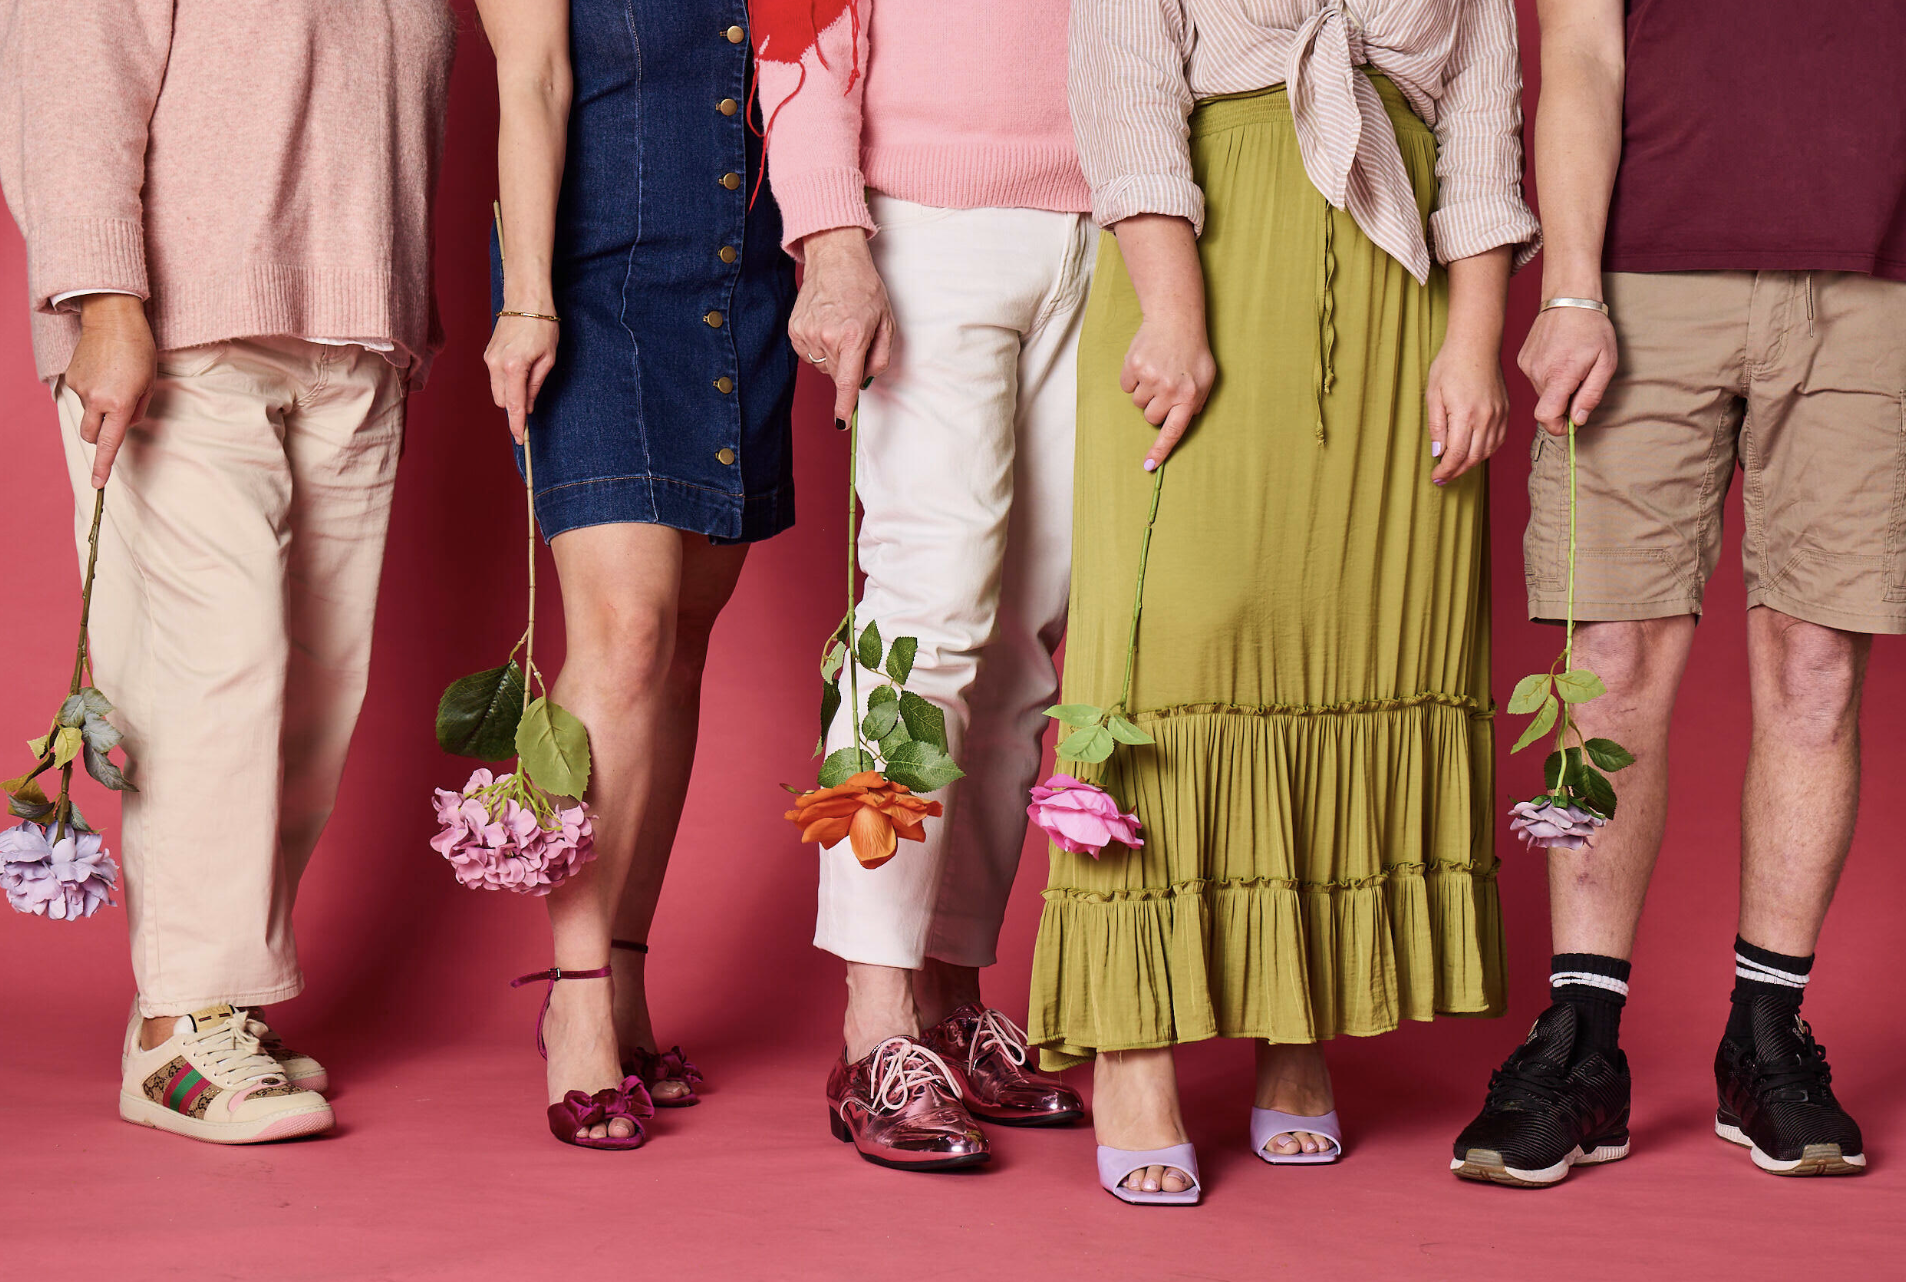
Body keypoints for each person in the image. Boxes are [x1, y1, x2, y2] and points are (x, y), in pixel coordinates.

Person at [1039, 0, 1538, 1203]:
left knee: (1348, 645)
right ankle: (1131, 1037)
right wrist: (1171, 305)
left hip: (1397, 289)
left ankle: (1297, 1011)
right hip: (1204, 264)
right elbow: (1126, 89)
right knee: (1171, 642)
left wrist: (1473, 342)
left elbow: (1480, 120)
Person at [1450, 0, 1900, 1186]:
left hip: (1878, 284)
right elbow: (1584, 48)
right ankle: (1582, 1044)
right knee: (1609, 661)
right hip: (1645, 271)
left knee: (1816, 663)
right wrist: (1571, 289)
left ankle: (1767, 1038)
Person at [0, 0, 456, 1143]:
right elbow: (69, 58)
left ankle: (220, 1000)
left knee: (312, 693)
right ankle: (174, 1030)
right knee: (216, 673)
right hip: (185, 317)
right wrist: (102, 298)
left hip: (356, 322)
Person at [754, 0, 1094, 1169]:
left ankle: (953, 995)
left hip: (1102, 223)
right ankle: (876, 1024)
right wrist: (830, 234)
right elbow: (796, 20)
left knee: (1023, 649)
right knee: (923, 622)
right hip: (931, 218)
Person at [475, 0, 798, 1149]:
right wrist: (526, 299)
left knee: (683, 647)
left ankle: (623, 972)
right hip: (594, 284)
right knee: (625, 632)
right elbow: (535, 82)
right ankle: (573, 1007)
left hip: (743, 279)